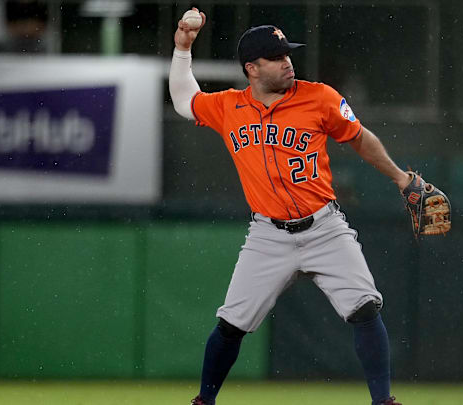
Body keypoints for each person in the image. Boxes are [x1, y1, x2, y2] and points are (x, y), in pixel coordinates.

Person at [169, 8, 411, 405]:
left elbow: (359, 137)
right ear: (252, 68)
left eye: (288, 54)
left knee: (365, 307)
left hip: (324, 227)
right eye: (276, 58)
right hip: (268, 234)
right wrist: (182, 49)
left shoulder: (320, 97)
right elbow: (184, 100)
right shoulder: (230, 106)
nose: (288, 63)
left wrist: (401, 178)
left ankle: (383, 401)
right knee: (231, 324)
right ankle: (204, 401)